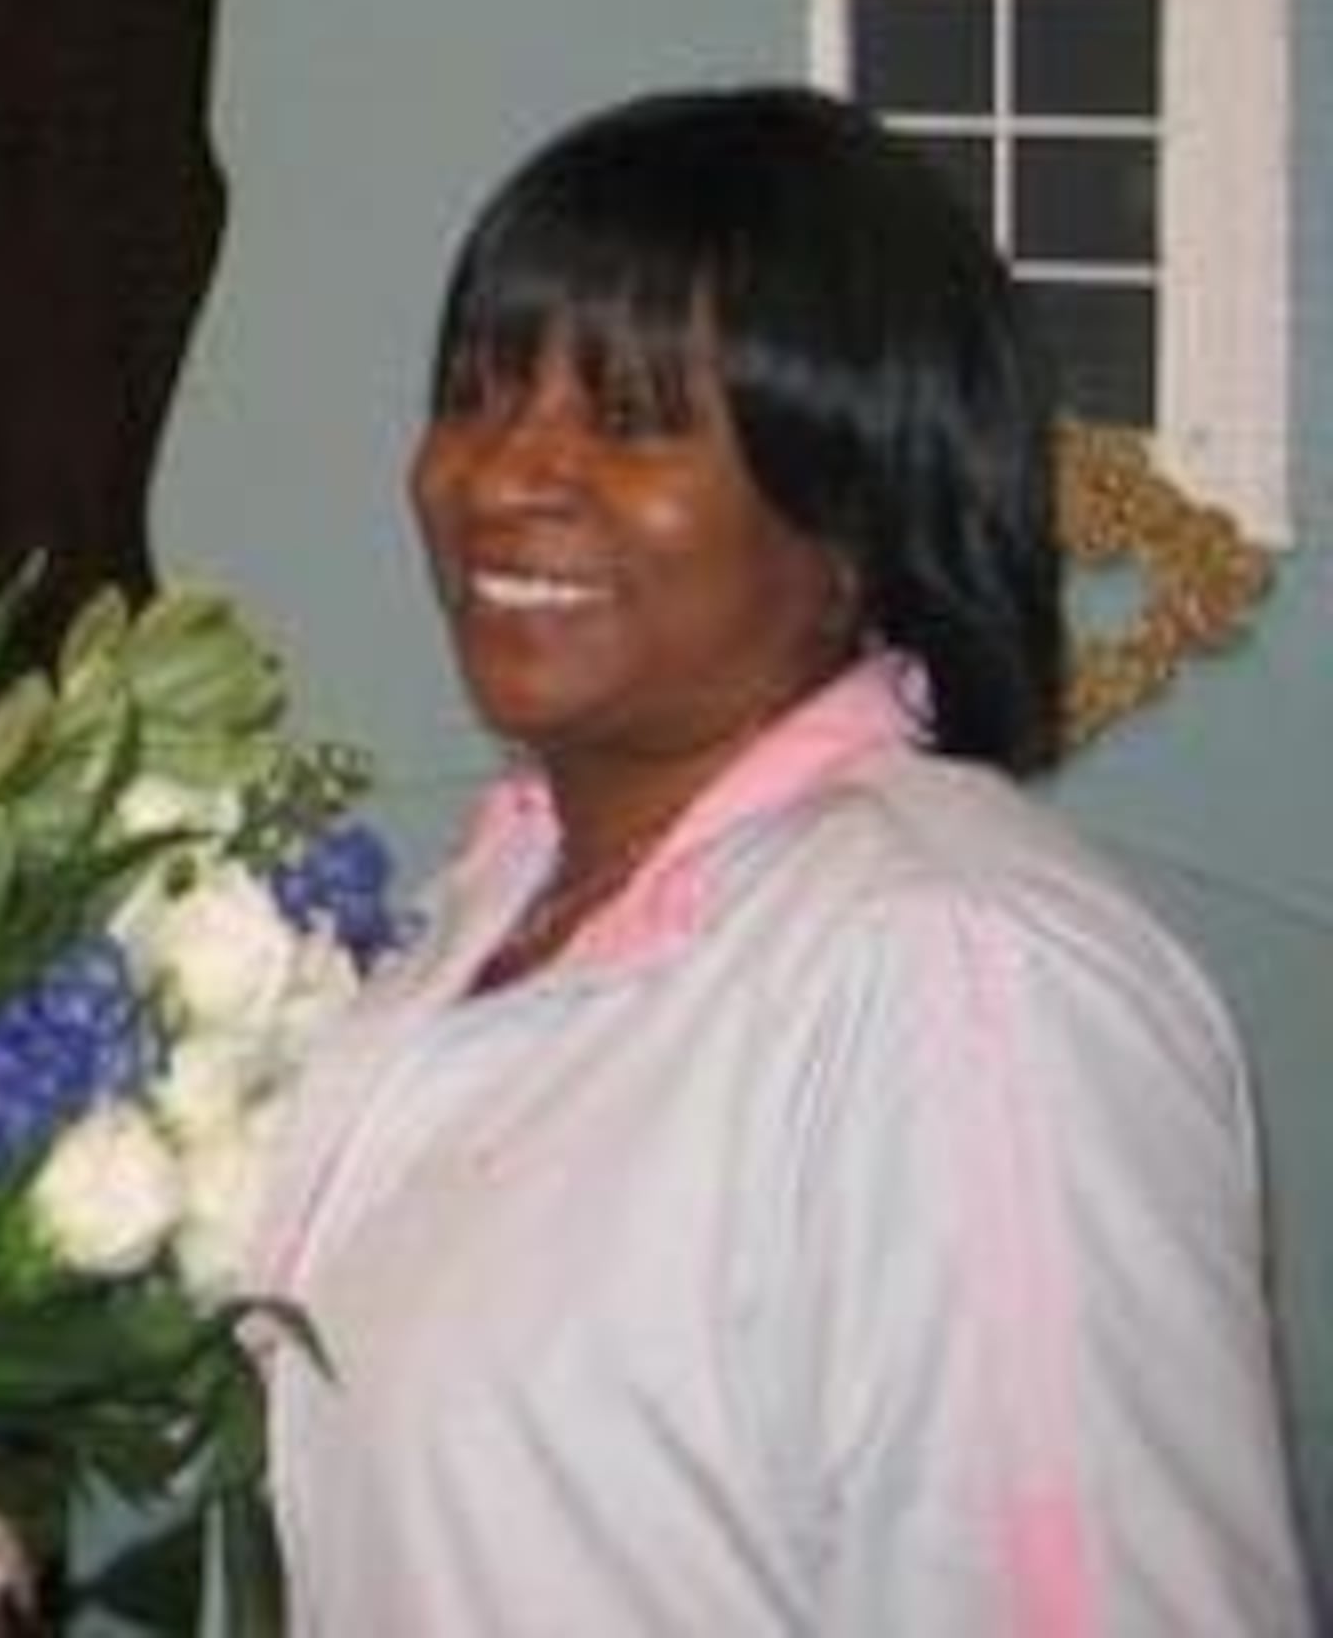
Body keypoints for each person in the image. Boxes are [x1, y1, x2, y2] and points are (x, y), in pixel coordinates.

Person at [254, 85, 1312, 1632]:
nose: (499, 475)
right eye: (480, 392)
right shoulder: (492, 910)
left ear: (855, 508)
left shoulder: (957, 973)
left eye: (630, 418)